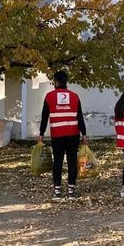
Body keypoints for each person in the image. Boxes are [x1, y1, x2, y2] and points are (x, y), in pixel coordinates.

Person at [39, 70, 88, 200]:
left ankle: (57, 191)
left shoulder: (49, 96)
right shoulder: (75, 96)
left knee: (58, 162)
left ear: (55, 82)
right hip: (73, 134)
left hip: (57, 135)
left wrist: (41, 134)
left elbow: (44, 117)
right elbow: (80, 117)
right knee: (72, 161)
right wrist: (84, 134)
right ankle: (71, 191)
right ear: (66, 81)